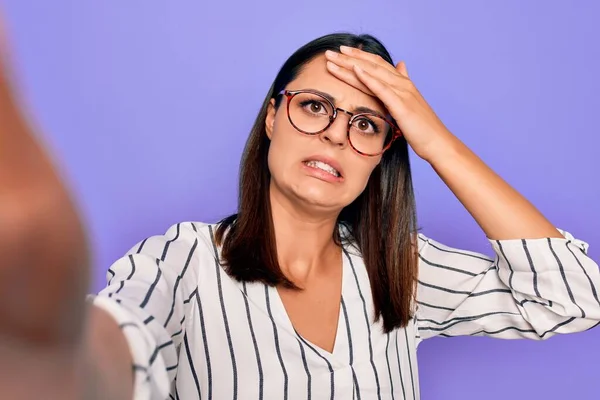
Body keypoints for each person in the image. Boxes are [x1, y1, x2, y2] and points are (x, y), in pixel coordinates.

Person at [1, 20, 599, 400]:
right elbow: (110, 351)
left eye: (367, 124)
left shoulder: (402, 270)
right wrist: (47, 346)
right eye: (315, 107)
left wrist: (434, 140)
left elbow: (574, 299)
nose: (337, 136)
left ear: (383, 155)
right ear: (271, 117)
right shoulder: (183, 262)